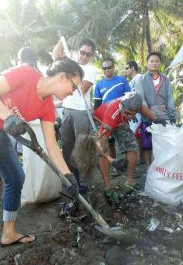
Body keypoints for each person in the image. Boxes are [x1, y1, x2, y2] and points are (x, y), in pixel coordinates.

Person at [0, 49, 83, 265]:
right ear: (63, 76)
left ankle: (9, 232)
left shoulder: (47, 107)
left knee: (16, 177)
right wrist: (9, 117)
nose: (72, 92)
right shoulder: (26, 74)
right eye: (73, 86)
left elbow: (52, 146)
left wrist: (68, 177)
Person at [72, 92, 166, 198]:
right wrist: (111, 160)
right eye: (127, 113)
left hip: (119, 123)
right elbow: (101, 142)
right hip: (101, 122)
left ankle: (130, 181)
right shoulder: (111, 115)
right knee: (103, 151)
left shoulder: (134, 103)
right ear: (121, 107)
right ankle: (107, 186)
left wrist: (156, 119)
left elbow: (142, 108)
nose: (129, 116)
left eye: (132, 114)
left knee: (132, 146)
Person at [53, 39, 98, 193]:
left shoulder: (91, 70)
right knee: (66, 148)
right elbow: (56, 55)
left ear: (91, 56)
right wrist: (61, 40)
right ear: (78, 51)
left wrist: (74, 70)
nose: (84, 56)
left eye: (88, 54)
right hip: (66, 110)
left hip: (81, 113)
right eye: (82, 52)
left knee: (81, 149)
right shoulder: (70, 64)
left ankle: (84, 183)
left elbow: (82, 89)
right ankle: (72, 179)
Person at [134, 52, 176, 168]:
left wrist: (172, 115)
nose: (154, 63)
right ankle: (149, 168)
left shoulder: (165, 79)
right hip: (148, 116)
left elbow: (170, 97)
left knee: (165, 144)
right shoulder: (141, 80)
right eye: (151, 61)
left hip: (165, 117)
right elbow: (141, 100)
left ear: (160, 63)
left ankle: (163, 167)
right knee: (147, 144)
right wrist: (152, 116)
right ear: (146, 63)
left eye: (157, 61)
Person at [94, 57, 131, 176]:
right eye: (104, 68)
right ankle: (115, 167)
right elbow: (97, 105)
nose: (107, 70)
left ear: (113, 67)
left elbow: (129, 99)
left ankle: (130, 169)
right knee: (109, 145)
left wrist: (128, 116)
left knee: (128, 144)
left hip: (121, 119)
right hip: (106, 121)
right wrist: (98, 122)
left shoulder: (122, 81)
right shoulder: (99, 85)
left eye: (109, 67)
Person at [125, 60, 143, 164]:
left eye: (127, 68)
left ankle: (138, 158)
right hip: (132, 112)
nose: (125, 70)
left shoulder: (139, 78)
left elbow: (139, 96)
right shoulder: (132, 80)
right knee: (134, 135)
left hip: (138, 113)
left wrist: (135, 112)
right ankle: (137, 158)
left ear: (132, 68)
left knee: (137, 135)